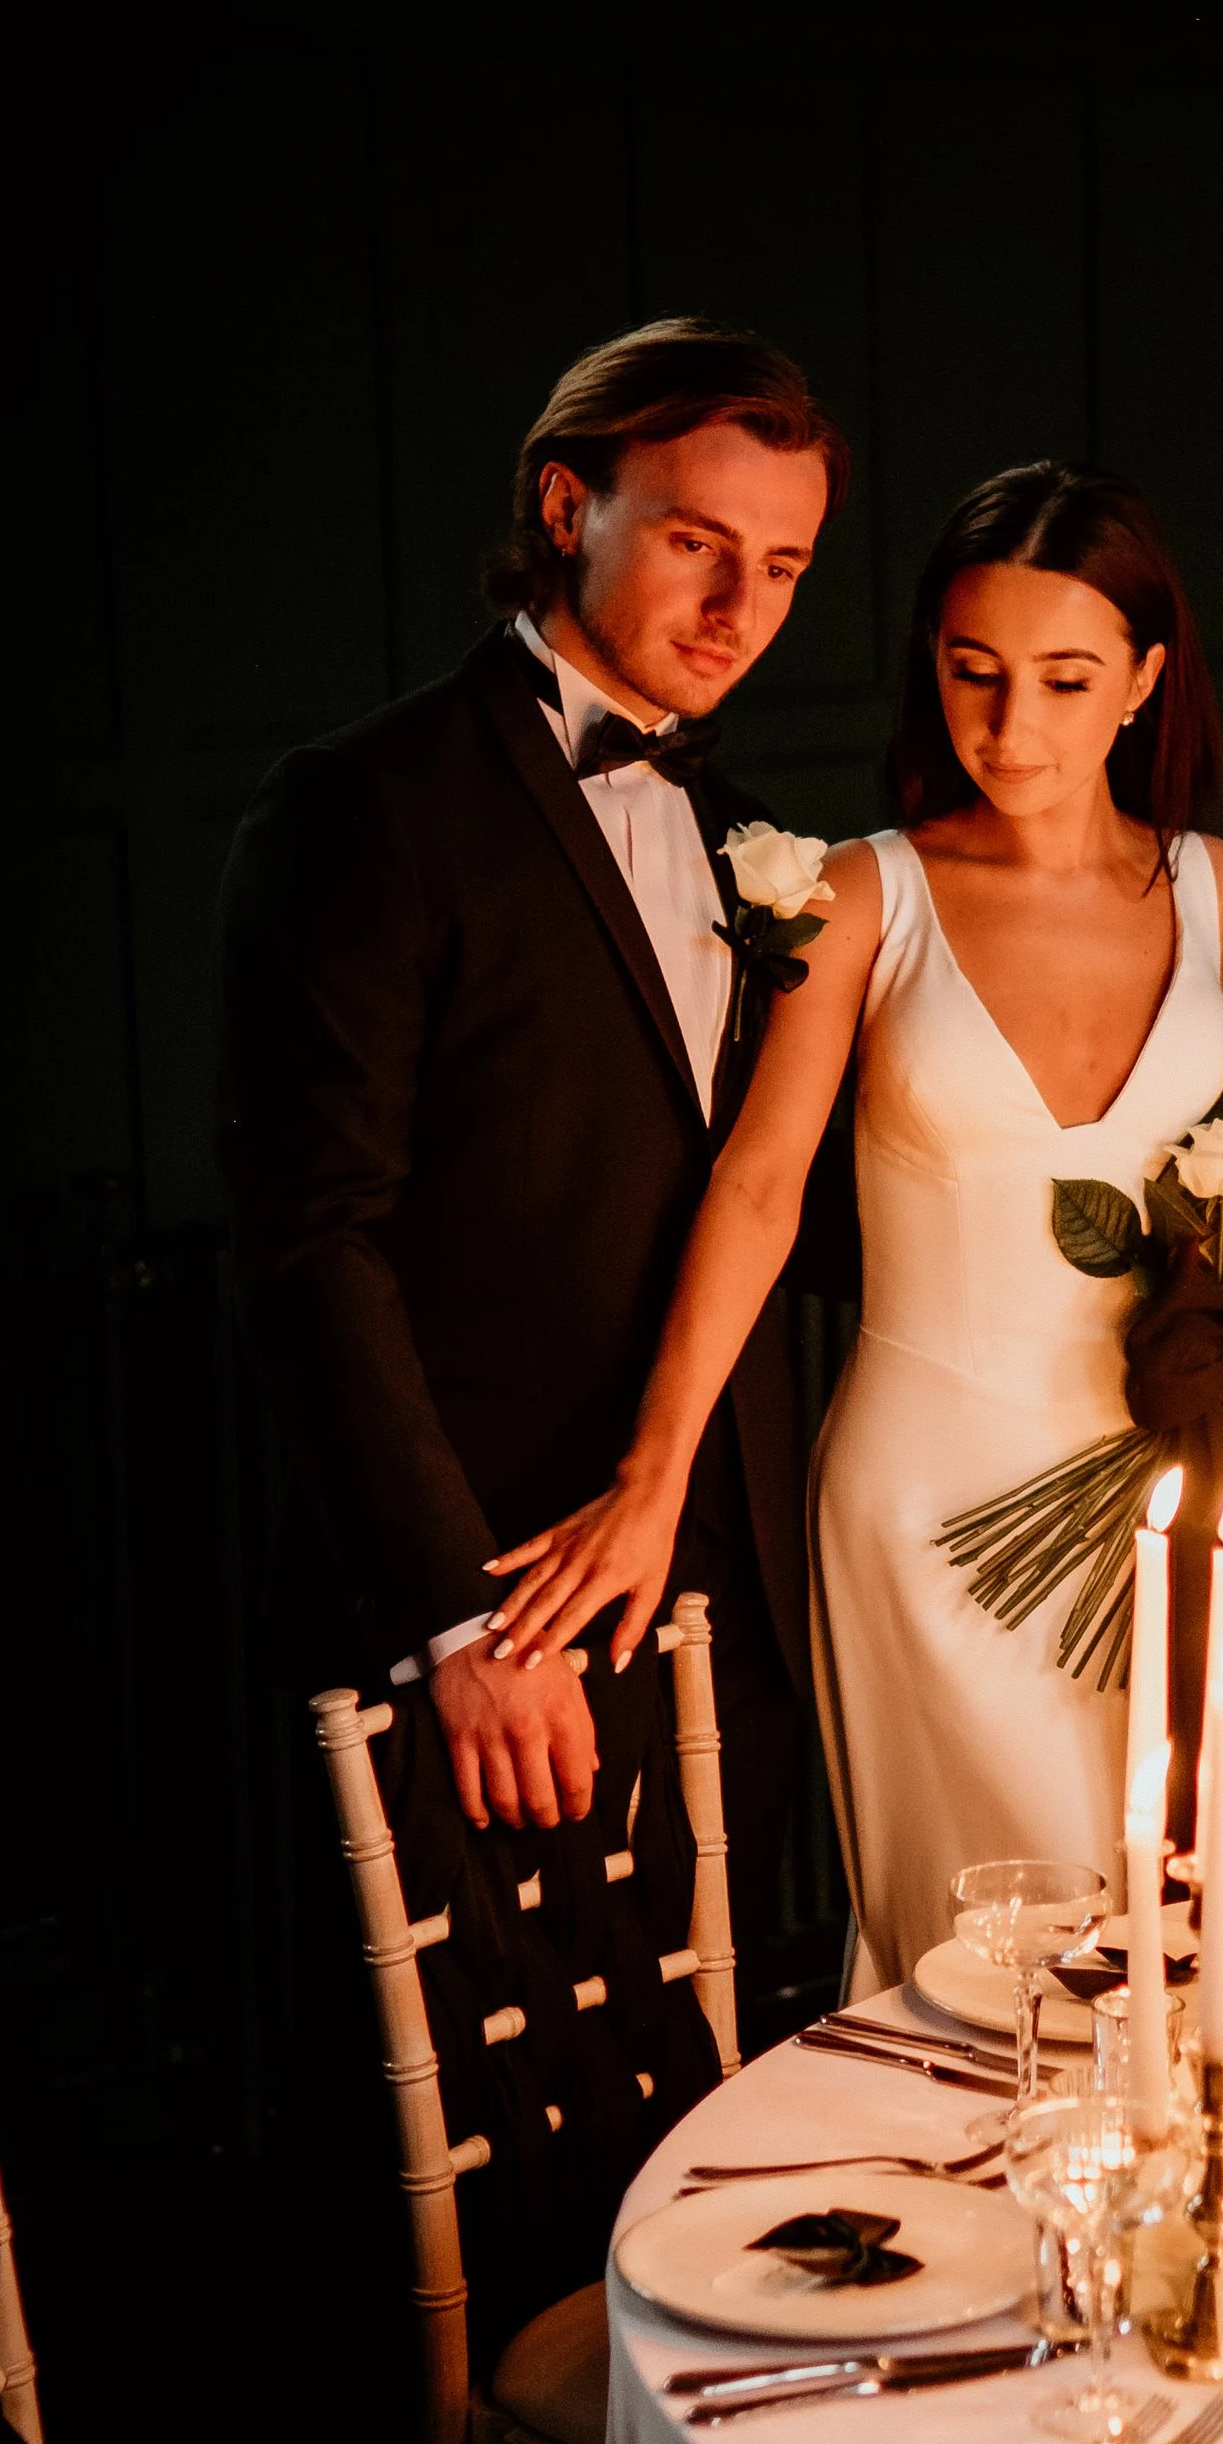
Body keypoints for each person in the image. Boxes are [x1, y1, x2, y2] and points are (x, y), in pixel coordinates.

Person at [488, 464, 1223, 1994]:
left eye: (1063, 680)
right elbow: (759, 1191)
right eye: (972, 674)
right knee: (1003, 1959)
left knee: (1177, 1943)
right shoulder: (863, 898)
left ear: (1145, 683)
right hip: (923, 1503)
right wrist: (653, 1475)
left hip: (1151, 1505)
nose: (1010, 726)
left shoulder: (1215, 893)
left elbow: (1209, 1214)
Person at [220, 318, 846, 2048]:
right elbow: (307, 1244)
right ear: (568, 506)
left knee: (712, 2101)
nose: (740, 610)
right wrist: (453, 1625)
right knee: (490, 2146)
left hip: (729, 1577)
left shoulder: (759, 839)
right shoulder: (364, 806)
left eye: (782, 565)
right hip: (499, 1605)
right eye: (696, 543)